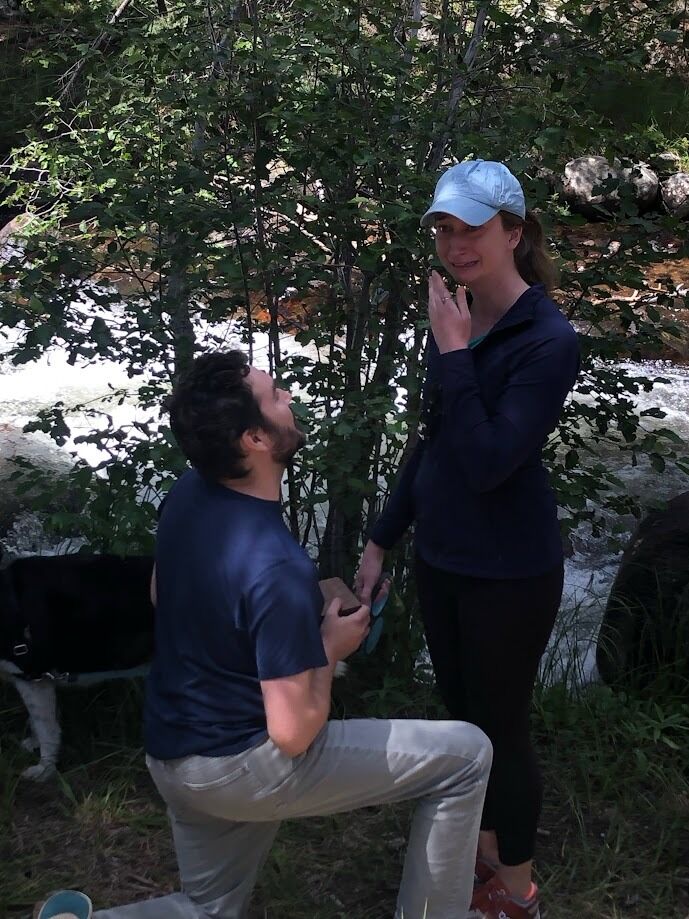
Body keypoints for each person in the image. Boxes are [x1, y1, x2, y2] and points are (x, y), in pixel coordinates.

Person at [38, 350, 492, 919]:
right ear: (255, 438)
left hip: (173, 750)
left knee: (208, 909)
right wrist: (328, 649)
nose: (290, 400)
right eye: (277, 396)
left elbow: (162, 593)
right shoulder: (274, 565)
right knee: (467, 755)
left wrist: (276, 624)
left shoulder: (190, 493)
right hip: (240, 765)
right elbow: (293, 732)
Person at [355, 160, 580, 919]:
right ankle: (479, 856)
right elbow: (434, 439)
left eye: (472, 229)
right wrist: (383, 538)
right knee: (460, 721)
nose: (455, 245)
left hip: (508, 568)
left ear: (514, 232)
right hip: (442, 555)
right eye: (445, 230)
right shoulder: (457, 316)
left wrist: (453, 351)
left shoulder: (546, 339)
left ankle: (515, 890)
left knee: (501, 726)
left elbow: (488, 462)